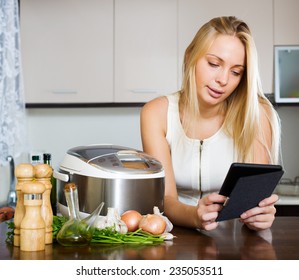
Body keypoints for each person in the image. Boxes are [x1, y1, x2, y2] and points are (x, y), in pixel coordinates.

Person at [140, 16, 281, 232]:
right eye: (214, 64)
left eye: (236, 72)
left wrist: (260, 216)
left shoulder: (257, 114)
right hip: (178, 240)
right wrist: (195, 216)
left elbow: (255, 201)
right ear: (190, 57)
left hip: (235, 246)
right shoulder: (156, 113)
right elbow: (166, 200)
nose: (223, 79)